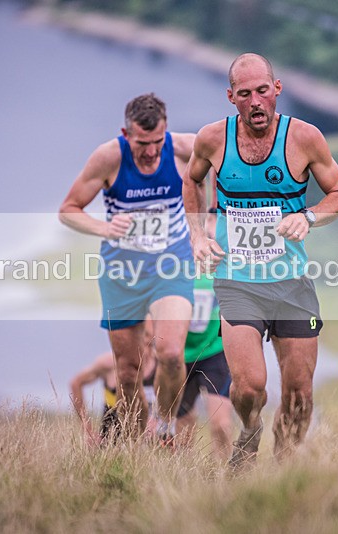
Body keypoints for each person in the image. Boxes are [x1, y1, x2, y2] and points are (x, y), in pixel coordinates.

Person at [182, 53, 338, 468]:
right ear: (231, 97)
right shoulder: (212, 139)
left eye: (262, 91)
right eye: (245, 94)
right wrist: (198, 234)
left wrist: (307, 217)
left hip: (291, 282)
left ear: (277, 90)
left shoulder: (304, 138)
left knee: (299, 394)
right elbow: (193, 178)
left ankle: (284, 466)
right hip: (237, 280)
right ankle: (251, 428)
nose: (256, 101)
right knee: (250, 387)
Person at [59, 93, 194, 442]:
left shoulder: (183, 148)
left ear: (166, 131)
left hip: (171, 264)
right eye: (141, 143)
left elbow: (226, 162)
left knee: (170, 352)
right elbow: (69, 209)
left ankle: (165, 427)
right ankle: (135, 445)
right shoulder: (108, 158)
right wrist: (104, 228)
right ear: (125, 132)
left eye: (156, 142)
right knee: (129, 372)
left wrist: (205, 220)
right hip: (123, 274)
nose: (150, 152)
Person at [175, 211, 234, 459]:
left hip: (214, 353)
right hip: (181, 354)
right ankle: (181, 475)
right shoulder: (173, 268)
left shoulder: (224, 263)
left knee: (220, 424)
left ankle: (226, 473)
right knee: (183, 426)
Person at [69, 317, 158, 446]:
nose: (141, 339)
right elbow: (76, 383)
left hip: (150, 446)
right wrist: (87, 432)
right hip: (111, 444)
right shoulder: (110, 363)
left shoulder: (163, 365)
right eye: (136, 333)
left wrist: (160, 424)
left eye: (146, 334)